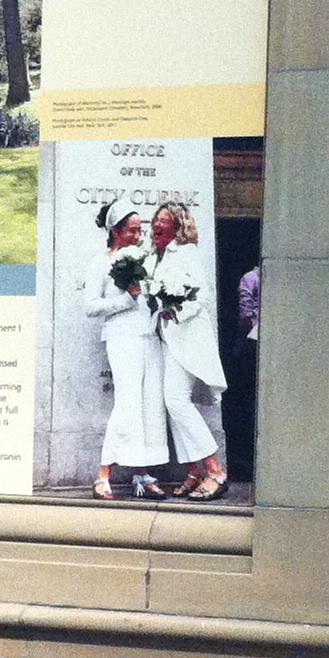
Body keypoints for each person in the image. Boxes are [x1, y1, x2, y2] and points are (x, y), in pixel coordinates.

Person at [149, 202, 230, 500]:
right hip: (168, 339)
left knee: (176, 401)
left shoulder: (187, 253)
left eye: (164, 219)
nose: (157, 223)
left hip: (187, 338)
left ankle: (215, 470)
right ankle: (194, 471)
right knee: (173, 404)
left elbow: (201, 295)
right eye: (156, 219)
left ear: (178, 226)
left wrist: (174, 311)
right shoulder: (156, 255)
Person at [87, 203, 167, 498]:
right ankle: (103, 474)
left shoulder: (144, 259)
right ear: (116, 231)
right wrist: (127, 299)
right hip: (122, 339)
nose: (137, 235)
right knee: (127, 403)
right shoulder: (101, 262)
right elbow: (90, 307)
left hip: (149, 337)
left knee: (150, 404)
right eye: (132, 230)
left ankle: (142, 474)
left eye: (139, 229)